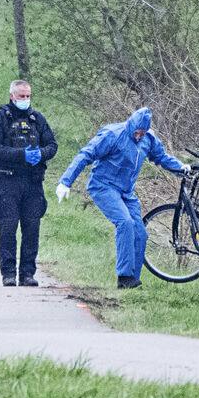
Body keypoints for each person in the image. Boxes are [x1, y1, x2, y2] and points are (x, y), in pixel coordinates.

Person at [56, 107, 189, 288]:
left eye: (142, 133)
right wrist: (66, 181)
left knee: (140, 233)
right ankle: (124, 277)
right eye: (137, 132)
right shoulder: (113, 134)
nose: (139, 136)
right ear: (131, 126)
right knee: (125, 222)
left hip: (127, 191)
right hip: (103, 186)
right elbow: (86, 154)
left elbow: (161, 157)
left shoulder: (148, 139)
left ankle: (133, 280)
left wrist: (181, 167)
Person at [0, 79, 58, 287]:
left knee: (32, 229)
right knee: (8, 229)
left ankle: (27, 274)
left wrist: (40, 154)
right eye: (21, 96)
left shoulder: (37, 119)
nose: (25, 99)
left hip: (33, 182)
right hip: (7, 181)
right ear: (12, 96)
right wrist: (21, 155)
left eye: (28, 96)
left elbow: (52, 145)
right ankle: (8, 274)